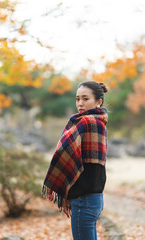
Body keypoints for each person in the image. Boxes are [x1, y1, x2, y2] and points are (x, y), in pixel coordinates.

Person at [42, 81, 108, 240]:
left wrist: (70, 193)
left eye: (86, 99)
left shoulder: (85, 122)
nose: (80, 103)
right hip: (94, 198)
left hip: (83, 198)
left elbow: (70, 157)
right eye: (78, 99)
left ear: (98, 101)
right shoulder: (100, 122)